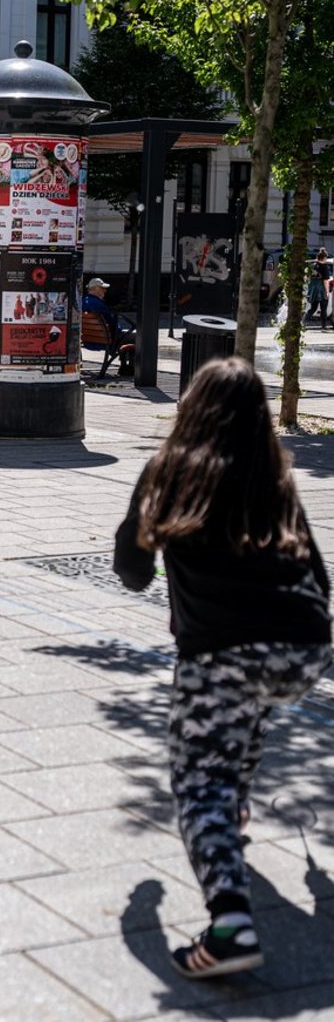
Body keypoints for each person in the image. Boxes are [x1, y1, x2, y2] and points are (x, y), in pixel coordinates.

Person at [113, 358, 331, 979]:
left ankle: (231, 923)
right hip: (306, 646)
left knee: (197, 780)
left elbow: (131, 569)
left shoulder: (168, 472)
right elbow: (319, 577)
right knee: (244, 704)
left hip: (223, 648)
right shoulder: (274, 477)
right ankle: (233, 803)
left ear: (193, 408)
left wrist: (165, 568)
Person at [82, 277, 137, 375]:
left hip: (89, 339)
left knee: (128, 339)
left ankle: (125, 366)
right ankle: (128, 368)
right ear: (94, 289)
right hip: (108, 339)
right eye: (102, 288)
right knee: (139, 338)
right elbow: (111, 322)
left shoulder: (83, 302)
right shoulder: (98, 304)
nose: (105, 290)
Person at [305, 247, 333, 328]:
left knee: (313, 308)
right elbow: (325, 281)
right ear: (324, 257)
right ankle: (323, 326)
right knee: (323, 308)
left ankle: (303, 322)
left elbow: (308, 277)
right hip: (322, 290)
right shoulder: (324, 267)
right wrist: (327, 292)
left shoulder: (313, 265)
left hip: (313, 290)